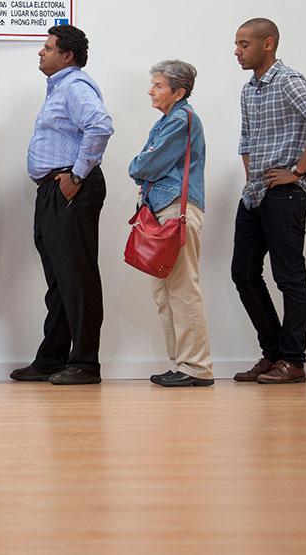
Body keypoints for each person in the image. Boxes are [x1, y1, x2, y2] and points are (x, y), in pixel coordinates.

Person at [231, 18, 306, 384]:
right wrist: (251, 181)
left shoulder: (289, 80)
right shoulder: (248, 89)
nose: (237, 51)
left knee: (289, 277)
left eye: (244, 44)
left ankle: (293, 361)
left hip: (286, 194)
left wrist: (298, 170)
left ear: (268, 44)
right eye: (237, 44)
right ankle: (274, 353)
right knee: (243, 272)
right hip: (256, 194)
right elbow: (246, 140)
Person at [12, 25, 113, 385]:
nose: (41, 52)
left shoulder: (74, 86)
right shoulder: (59, 87)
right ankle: (52, 358)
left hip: (71, 187)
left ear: (67, 55)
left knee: (77, 276)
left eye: (48, 47)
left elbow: (100, 126)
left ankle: (85, 363)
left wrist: (77, 176)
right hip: (54, 189)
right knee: (59, 279)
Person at [128, 61, 214, 386]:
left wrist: (138, 163)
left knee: (182, 289)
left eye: (159, 85)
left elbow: (144, 165)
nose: (151, 91)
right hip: (164, 210)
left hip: (177, 210)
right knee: (165, 292)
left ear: (179, 92)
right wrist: (141, 163)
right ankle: (181, 363)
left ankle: (197, 367)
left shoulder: (181, 120)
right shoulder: (167, 121)